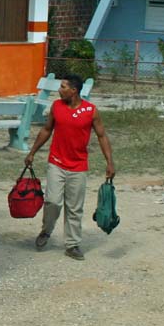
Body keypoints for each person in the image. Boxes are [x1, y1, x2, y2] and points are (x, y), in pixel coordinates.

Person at [25, 74, 115, 260]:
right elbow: (47, 130)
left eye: (63, 87)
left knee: (74, 208)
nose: (60, 90)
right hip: (56, 162)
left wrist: (109, 162)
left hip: (79, 166)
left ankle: (72, 245)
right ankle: (46, 231)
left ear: (74, 90)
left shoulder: (91, 111)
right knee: (52, 201)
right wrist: (32, 151)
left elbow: (102, 136)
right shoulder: (56, 107)